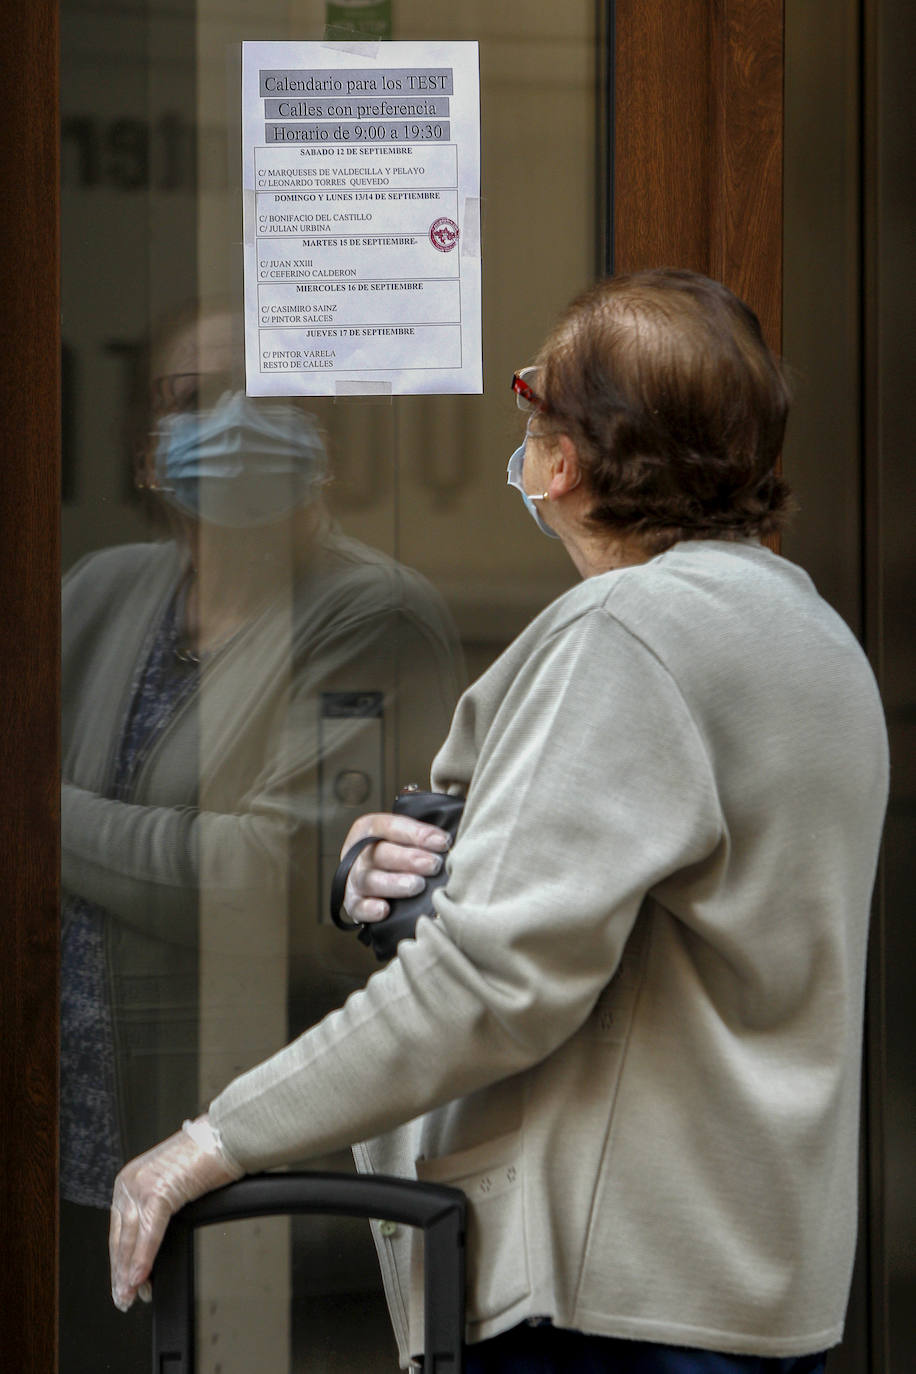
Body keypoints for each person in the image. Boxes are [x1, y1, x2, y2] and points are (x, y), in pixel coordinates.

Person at [109, 271, 889, 1374]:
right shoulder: (806, 633)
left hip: (609, 1302)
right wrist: (430, 871)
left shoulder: (627, 632)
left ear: (560, 459)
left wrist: (213, 1139)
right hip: (749, 1283)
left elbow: (493, 980)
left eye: (529, 404)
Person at [61, 304, 463, 1371]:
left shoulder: (373, 613)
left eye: (271, 394)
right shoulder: (104, 594)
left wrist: (36, 818)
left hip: (259, 1164)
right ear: (149, 454)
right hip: (84, 1153)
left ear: (322, 442)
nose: (234, 421)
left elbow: (272, 880)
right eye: (194, 400)